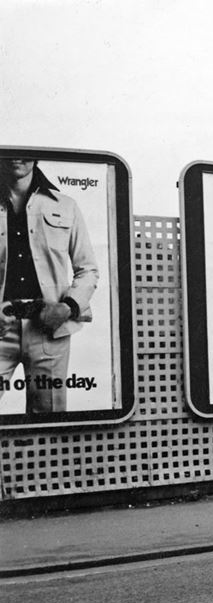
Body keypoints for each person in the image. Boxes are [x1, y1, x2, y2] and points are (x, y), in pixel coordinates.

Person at [0, 158, 98, 413]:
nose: (17, 158)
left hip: (48, 329)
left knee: (49, 424)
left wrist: (67, 308)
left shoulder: (66, 205)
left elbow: (87, 269)